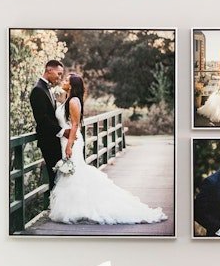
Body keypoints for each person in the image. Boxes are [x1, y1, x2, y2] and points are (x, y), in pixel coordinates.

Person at [48, 74, 167, 225]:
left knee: (74, 172)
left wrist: (70, 145)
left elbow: (75, 125)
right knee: (73, 173)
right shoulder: (68, 98)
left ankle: (77, 208)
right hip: (65, 140)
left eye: (66, 80)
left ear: (71, 85)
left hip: (72, 140)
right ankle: (76, 207)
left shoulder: (73, 101)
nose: (63, 81)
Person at [28, 60, 66, 190]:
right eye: (58, 74)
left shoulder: (47, 88)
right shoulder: (38, 90)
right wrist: (62, 131)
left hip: (55, 140)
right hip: (48, 141)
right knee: (54, 177)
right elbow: (43, 120)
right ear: (49, 70)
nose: (59, 77)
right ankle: (54, 206)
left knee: (59, 176)